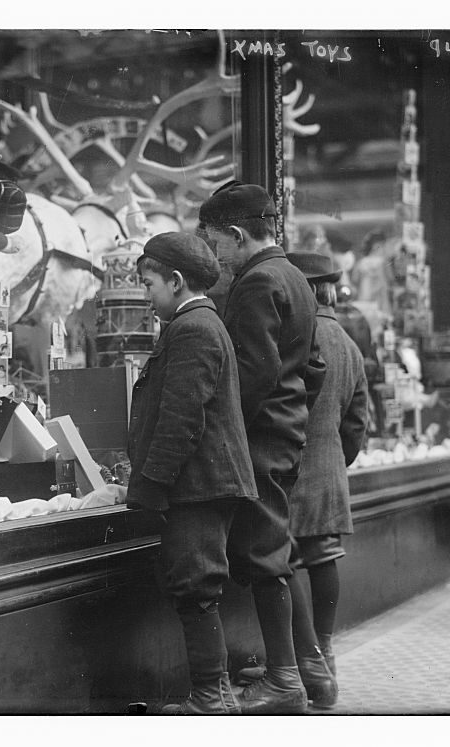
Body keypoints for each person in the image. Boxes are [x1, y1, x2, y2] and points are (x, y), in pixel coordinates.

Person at [196, 182, 328, 713]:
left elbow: (249, 378)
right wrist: (290, 414)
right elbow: (313, 368)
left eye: (211, 239)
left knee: (263, 553)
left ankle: (283, 680)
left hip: (257, 441)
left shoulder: (255, 283)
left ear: (233, 233)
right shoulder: (294, 276)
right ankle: (309, 668)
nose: (211, 252)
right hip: (284, 433)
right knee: (280, 549)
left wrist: (222, 434)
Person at [125, 232, 266, 715]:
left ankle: (211, 698)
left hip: (198, 487)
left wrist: (150, 485)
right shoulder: (200, 325)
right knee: (198, 586)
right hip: (203, 483)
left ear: (176, 281)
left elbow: (181, 417)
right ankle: (216, 693)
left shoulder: (193, 328)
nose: (146, 295)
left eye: (149, 284)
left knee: (196, 586)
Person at [284, 251, 369, 687]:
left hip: (287, 468)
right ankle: (325, 650)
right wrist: (337, 457)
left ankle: (305, 661)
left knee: (284, 562)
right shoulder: (349, 344)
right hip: (328, 468)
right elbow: (357, 423)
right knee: (323, 557)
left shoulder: (295, 334)